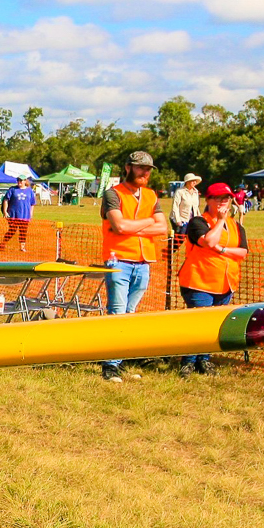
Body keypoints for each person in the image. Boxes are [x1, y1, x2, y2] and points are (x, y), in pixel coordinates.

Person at [98, 150, 169, 382]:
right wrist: (149, 221)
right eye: (140, 168)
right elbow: (119, 227)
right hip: (118, 260)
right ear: (128, 168)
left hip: (143, 261)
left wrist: (134, 226)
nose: (145, 173)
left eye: (148, 169)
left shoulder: (151, 195)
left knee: (129, 313)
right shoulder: (113, 194)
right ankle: (110, 365)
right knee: (117, 313)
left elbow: (163, 228)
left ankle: (120, 360)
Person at [176, 183, 248, 376]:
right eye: (218, 198)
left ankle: (204, 360)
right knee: (199, 323)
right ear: (208, 200)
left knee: (215, 323)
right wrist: (220, 220)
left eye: (227, 198)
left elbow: (242, 252)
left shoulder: (236, 226)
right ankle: (188, 362)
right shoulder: (198, 222)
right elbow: (209, 241)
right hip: (199, 281)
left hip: (226, 282)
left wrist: (222, 250)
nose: (223, 201)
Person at [0, 174, 37, 251]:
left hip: (25, 215)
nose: (19, 182)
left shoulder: (29, 191)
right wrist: (5, 211)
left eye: (21, 180)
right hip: (13, 214)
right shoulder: (12, 189)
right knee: (12, 230)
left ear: (25, 181)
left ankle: (22, 247)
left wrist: (31, 214)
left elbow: (32, 203)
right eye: (18, 180)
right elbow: (6, 200)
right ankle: (3, 243)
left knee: (23, 231)